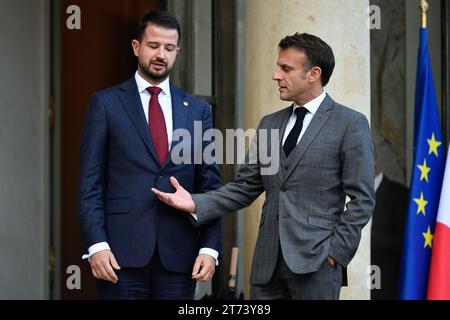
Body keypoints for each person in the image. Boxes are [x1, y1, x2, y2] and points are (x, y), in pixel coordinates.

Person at [152, 33, 375, 300]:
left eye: (286, 68)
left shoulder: (350, 123)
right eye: (277, 66)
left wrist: (335, 253)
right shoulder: (270, 123)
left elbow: (362, 199)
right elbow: (246, 187)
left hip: (317, 266)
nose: (276, 75)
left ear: (314, 73)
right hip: (266, 267)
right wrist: (196, 203)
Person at [77, 10, 222, 300]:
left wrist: (210, 248)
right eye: (153, 46)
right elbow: (89, 184)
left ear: (177, 52)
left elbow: (210, 187)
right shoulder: (105, 104)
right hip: (118, 256)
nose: (161, 54)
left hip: (179, 258)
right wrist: (97, 245)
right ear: (136, 47)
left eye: (169, 48)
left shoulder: (197, 111)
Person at [371, 149, 409, 300]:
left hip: (386, 287)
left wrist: (368, 240)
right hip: (353, 284)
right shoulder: (345, 195)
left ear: (376, 159)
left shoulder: (401, 194)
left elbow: (406, 244)